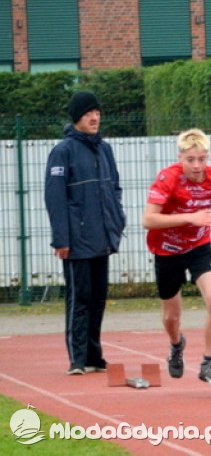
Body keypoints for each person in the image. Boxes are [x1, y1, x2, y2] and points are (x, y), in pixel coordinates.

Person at [142, 128, 211, 387]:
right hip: (167, 250)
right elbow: (148, 220)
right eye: (190, 160)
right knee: (172, 317)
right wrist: (189, 217)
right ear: (180, 157)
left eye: (202, 159)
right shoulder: (167, 179)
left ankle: (208, 363)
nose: (196, 166)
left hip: (199, 247)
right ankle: (176, 344)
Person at [45, 91, 127, 375]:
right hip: (77, 241)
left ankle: (94, 355)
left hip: (102, 238)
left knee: (98, 298)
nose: (94, 118)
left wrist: (117, 220)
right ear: (77, 117)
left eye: (98, 113)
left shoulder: (104, 149)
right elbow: (55, 199)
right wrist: (61, 239)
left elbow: (114, 187)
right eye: (88, 113)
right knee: (79, 298)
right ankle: (77, 359)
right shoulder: (62, 151)